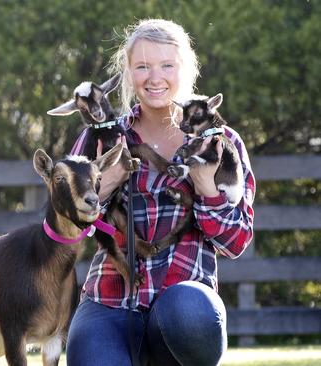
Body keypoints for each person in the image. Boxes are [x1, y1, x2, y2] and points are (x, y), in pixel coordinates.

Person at [66, 19, 255, 366]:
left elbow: (237, 242)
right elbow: (65, 234)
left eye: (167, 65)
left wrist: (206, 189)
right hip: (111, 299)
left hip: (183, 301)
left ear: (186, 70)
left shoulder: (220, 143)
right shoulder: (101, 139)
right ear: (128, 73)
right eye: (142, 66)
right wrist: (105, 184)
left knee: (189, 315)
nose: (155, 78)